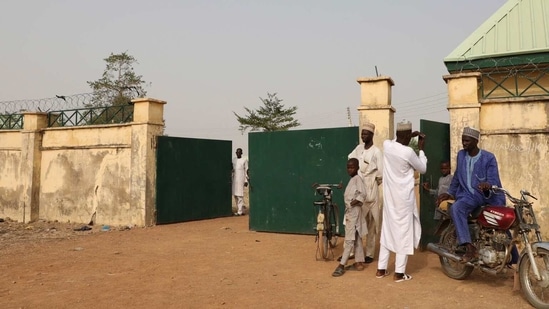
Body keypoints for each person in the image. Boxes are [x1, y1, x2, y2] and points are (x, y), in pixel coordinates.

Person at [436, 127, 505, 262]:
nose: (464, 143)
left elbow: (493, 179)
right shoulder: (461, 155)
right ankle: (469, 247)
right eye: (463, 140)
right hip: (468, 196)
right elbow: (457, 176)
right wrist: (449, 193)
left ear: (475, 141)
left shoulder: (488, 157)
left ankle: (514, 260)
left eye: (467, 141)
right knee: (457, 208)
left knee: (503, 223)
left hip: (487, 195)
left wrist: (488, 185)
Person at [376, 120, 427, 282]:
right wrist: (421, 150)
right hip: (404, 200)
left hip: (390, 199)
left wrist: (406, 134)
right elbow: (422, 168)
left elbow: (392, 140)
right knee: (404, 234)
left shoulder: (387, 145)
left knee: (387, 232)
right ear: (407, 135)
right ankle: (399, 273)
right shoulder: (408, 152)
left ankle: (381, 269)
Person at [347, 122, 383, 264]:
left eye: (365, 134)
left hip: (372, 191)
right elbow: (350, 158)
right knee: (355, 223)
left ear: (372, 135)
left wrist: (370, 184)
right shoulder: (358, 149)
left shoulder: (376, 152)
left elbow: (380, 174)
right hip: (359, 190)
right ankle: (351, 251)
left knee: (371, 225)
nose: (363, 136)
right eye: (362, 133)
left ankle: (369, 253)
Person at [332, 158, 368, 277]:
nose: (349, 169)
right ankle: (359, 262)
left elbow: (363, 194)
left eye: (352, 167)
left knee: (349, 239)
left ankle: (342, 265)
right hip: (351, 213)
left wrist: (353, 203)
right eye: (348, 167)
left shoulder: (358, 179)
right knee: (356, 237)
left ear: (357, 168)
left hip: (353, 212)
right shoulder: (352, 180)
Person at [232, 148, 249, 216]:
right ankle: (240, 209)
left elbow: (247, 170)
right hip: (235, 179)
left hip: (241, 179)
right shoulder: (234, 160)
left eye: (239, 152)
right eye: (237, 152)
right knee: (235, 195)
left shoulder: (244, 160)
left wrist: (246, 180)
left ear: (241, 153)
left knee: (240, 196)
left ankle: (240, 211)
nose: (238, 153)